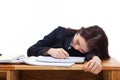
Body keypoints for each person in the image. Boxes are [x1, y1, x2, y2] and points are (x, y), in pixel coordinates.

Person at [27, 25, 110, 74]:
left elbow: (98, 54)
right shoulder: (59, 32)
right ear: (79, 32)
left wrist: (96, 58)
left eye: (82, 50)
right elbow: (31, 50)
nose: (76, 47)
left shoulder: (91, 49)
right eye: (77, 42)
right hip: (44, 73)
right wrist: (49, 50)